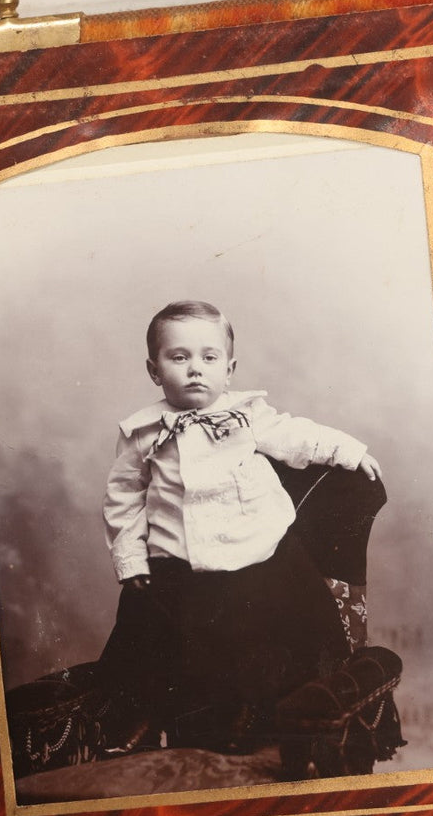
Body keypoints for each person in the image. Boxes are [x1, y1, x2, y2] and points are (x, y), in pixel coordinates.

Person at [98, 300, 382, 754]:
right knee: (147, 623)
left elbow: (297, 436)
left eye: (209, 358)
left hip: (259, 551)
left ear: (229, 369)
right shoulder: (142, 433)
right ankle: (142, 715)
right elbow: (124, 498)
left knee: (277, 632)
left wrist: (348, 452)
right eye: (179, 357)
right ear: (154, 371)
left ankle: (271, 715)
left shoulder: (246, 416)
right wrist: (131, 559)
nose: (195, 370)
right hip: (180, 558)